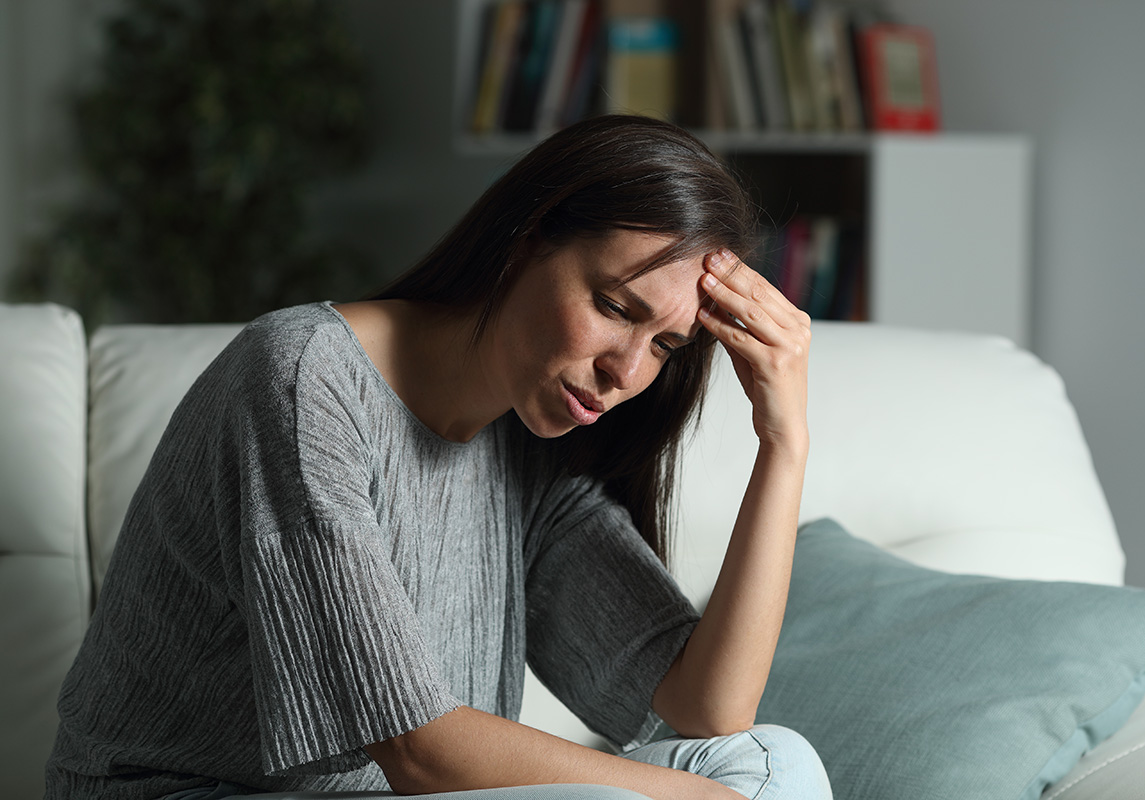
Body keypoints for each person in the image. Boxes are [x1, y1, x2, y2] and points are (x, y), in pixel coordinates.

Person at [44, 115, 830, 800]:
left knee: (772, 760)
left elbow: (705, 710)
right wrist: (696, 799)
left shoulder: (532, 449)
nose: (626, 372)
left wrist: (783, 442)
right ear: (526, 241)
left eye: (663, 344)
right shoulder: (301, 378)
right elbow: (416, 749)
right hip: (190, 794)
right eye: (614, 307)